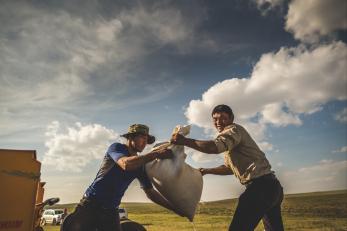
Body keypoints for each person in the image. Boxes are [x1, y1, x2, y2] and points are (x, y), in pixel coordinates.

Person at [171, 104, 284, 231]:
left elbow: (214, 147)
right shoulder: (232, 141)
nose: (218, 122)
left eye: (223, 118)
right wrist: (207, 170)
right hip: (273, 187)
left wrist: (185, 141)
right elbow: (230, 168)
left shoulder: (233, 130)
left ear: (231, 118)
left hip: (260, 188)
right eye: (215, 119)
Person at [64, 124, 177, 231]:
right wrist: (155, 154)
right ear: (131, 137)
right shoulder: (117, 148)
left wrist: (175, 208)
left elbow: (151, 193)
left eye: (147, 140)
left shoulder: (141, 165)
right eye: (142, 138)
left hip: (110, 211)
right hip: (90, 205)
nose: (145, 142)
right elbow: (125, 164)